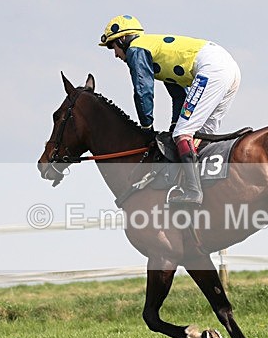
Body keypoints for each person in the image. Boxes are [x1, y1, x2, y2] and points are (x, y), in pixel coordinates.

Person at [99, 14, 241, 205]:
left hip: (212, 68)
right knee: (200, 135)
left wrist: (146, 128)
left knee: (183, 133)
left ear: (123, 39)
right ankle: (208, 187)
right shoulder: (155, 50)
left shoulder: (136, 49)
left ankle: (193, 191)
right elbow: (179, 95)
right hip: (228, 68)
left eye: (112, 47)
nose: (116, 55)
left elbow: (143, 90)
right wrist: (174, 124)